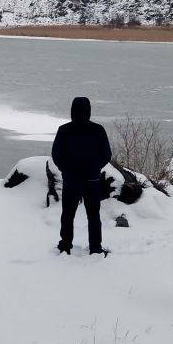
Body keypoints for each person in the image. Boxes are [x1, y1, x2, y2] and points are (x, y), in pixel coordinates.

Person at [50, 96, 111, 256]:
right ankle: (95, 248)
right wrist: (95, 168)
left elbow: (56, 155)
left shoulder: (64, 130)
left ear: (72, 110)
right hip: (92, 180)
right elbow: (106, 155)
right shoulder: (98, 130)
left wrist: (65, 169)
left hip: (71, 180)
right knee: (93, 216)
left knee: (68, 215)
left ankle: (65, 245)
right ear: (89, 110)